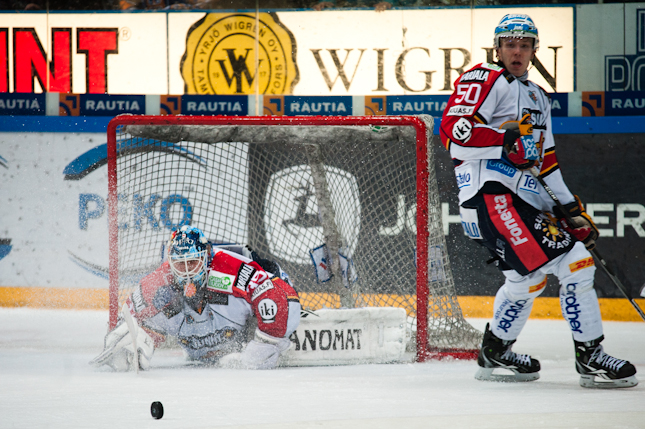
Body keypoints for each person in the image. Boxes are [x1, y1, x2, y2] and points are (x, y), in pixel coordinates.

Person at [439, 13, 637, 388]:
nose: (517, 51)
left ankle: (495, 351)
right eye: (510, 44)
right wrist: (505, 141)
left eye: (525, 45)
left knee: (525, 279)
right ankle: (591, 357)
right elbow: (454, 132)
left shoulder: (538, 97)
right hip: (491, 196)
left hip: (519, 202)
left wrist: (571, 212)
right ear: (496, 48)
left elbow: (545, 164)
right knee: (576, 264)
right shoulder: (484, 77)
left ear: (534, 50)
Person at [91, 225, 301, 371]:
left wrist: (266, 344)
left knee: (269, 283)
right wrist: (131, 347)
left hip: (247, 332)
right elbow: (124, 325)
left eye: (192, 262)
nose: (187, 272)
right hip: (204, 356)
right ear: (169, 263)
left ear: (206, 256)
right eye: (180, 264)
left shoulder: (230, 271)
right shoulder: (157, 284)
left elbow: (278, 294)